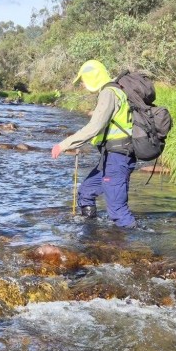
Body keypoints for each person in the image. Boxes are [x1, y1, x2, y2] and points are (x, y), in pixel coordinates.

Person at [50, 59, 137, 228]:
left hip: (119, 157)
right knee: (86, 192)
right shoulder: (114, 90)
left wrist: (64, 145)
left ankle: (134, 250)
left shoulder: (109, 92)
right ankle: (91, 236)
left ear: (92, 77)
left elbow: (94, 128)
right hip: (111, 156)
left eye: (83, 79)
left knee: (118, 211)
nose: (82, 83)